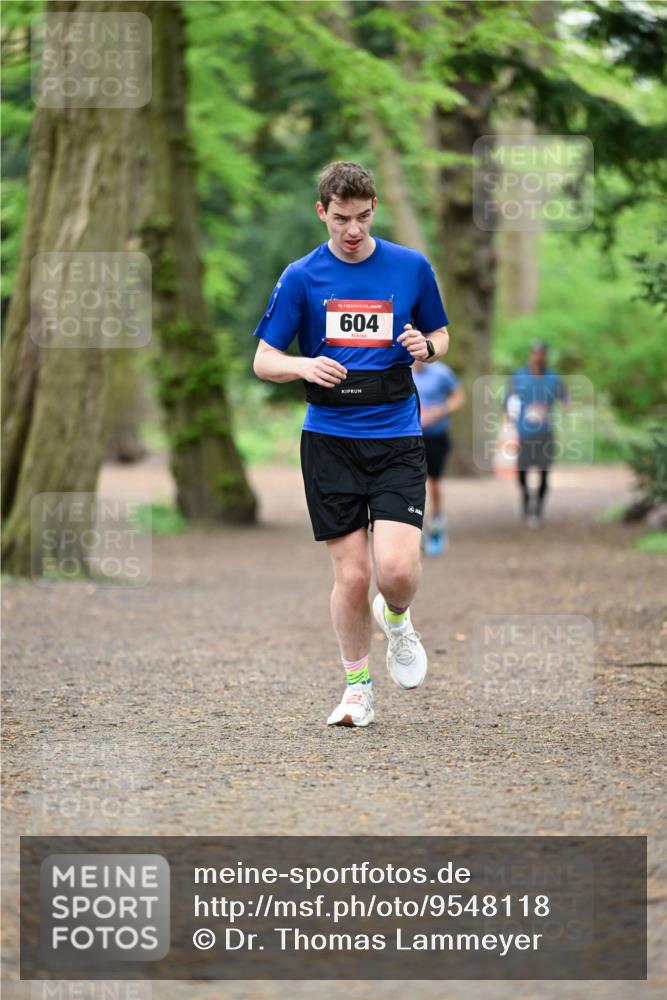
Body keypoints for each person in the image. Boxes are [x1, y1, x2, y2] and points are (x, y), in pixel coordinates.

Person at [252, 161, 450, 727]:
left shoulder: (411, 267)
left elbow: (440, 334)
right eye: (341, 219)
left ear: (375, 208)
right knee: (354, 575)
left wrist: (426, 348)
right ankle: (357, 688)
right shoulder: (301, 276)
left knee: (397, 572)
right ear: (322, 212)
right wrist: (303, 365)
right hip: (330, 440)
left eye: (363, 217)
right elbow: (264, 359)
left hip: (397, 437)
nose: (354, 230)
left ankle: (399, 618)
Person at [506, 341, 568, 527]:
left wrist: (564, 407)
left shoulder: (554, 377)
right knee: (521, 472)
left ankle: (538, 510)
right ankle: (526, 497)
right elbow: (508, 401)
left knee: (544, 472)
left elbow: (565, 399)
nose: (538, 357)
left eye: (541, 353)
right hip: (524, 432)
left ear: (545, 355)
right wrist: (508, 423)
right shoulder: (518, 376)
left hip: (545, 432)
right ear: (531, 354)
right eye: (535, 353)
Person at [412, 359, 465, 555]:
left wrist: (441, 410)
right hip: (410, 437)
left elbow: (458, 397)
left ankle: (437, 525)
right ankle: (415, 528)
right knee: (411, 483)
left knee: (433, 483)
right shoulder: (402, 370)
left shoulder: (441, 372)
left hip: (436, 436)